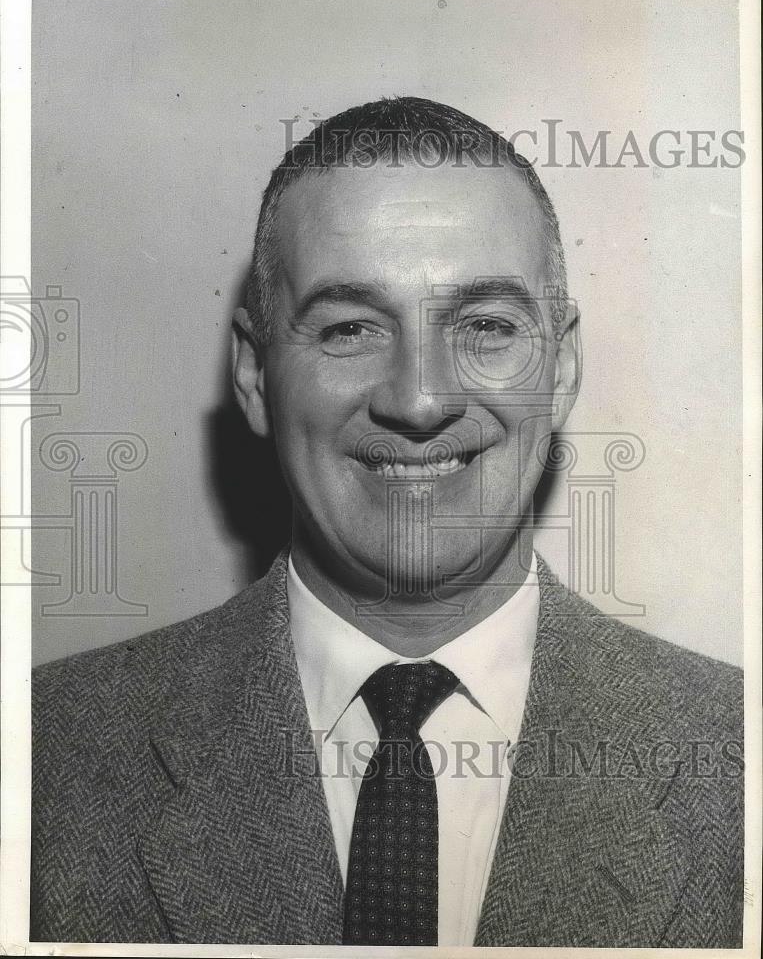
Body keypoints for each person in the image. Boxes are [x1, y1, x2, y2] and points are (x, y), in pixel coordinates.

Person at [31, 97, 743, 947]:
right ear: (256, 376)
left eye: (483, 326)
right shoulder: (42, 757)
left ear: (560, 368)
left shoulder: (737, 756)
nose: (418, 400)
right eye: (349, 329)